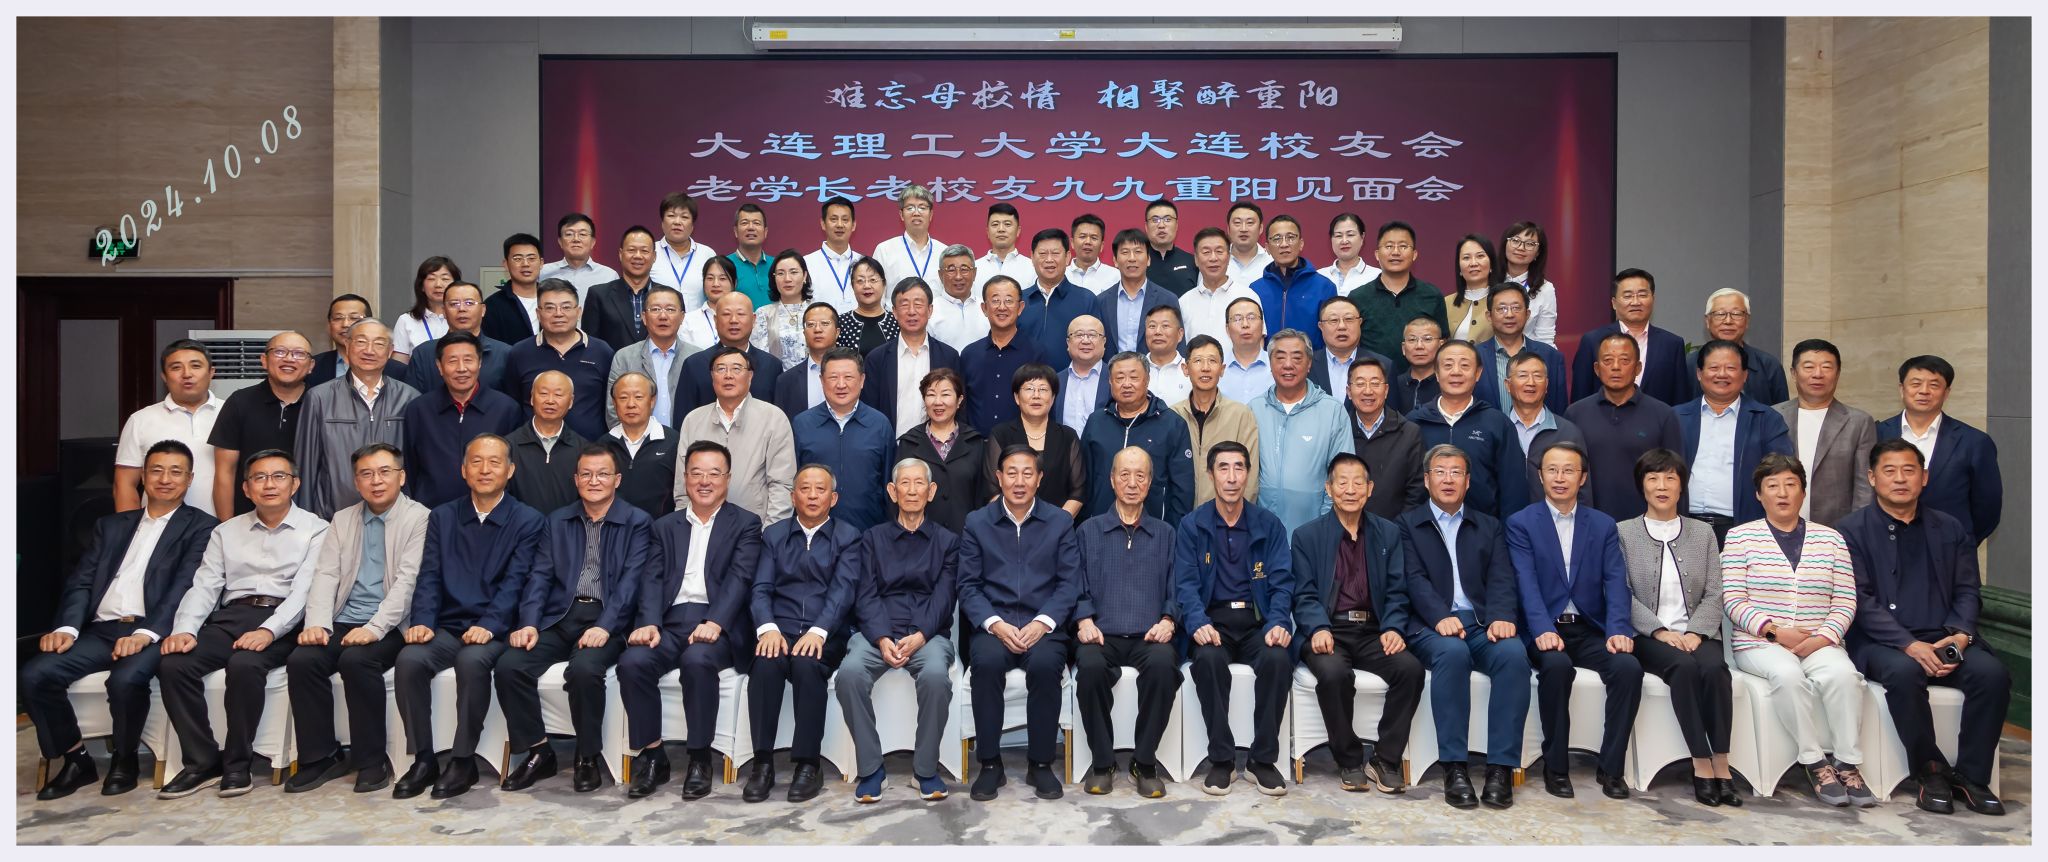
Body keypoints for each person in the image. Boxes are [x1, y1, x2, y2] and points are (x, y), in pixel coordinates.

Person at [26, 441, 217, 799]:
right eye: (156, 470)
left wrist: (146, 633)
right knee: (36, 674)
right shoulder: (111, 525)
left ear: (189, 479)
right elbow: (82, 581)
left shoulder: (203, 528)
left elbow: (184, 587)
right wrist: (66, 627)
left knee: (126, 680)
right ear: (143, 476)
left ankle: (125, 759)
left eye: (175, 472)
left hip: (154, 631)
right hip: (101, 630)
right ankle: (75, 759)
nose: (165, 479)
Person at [1839, 439, 2010, 816]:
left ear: (1924, 477)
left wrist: (1961, 635)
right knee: (1904, 673)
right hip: (1884, 642)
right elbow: (1860, 600)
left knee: (1992, 675)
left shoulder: (1951, 527)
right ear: (1872, 478)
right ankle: (1930, 770)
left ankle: (1972, 776)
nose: (1900, 479)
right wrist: (1908, 644)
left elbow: (1968, 589)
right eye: (1889, 471)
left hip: (1946, 635)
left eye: (1909, 470)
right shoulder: (1850, 530)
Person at [156, 449, 332, 799]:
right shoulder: (225, 531)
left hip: (285, 619)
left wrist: (269, 630)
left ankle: (238, 764)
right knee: (174, 664)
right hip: (231, 616)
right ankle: (202, 761)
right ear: (246, 489)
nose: (269, 485)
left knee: (245, 665)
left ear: (295, 484)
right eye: (259, 478)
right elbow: (205, 585)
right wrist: (185, 630)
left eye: (279, 476)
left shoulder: (318, 529)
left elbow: (306, 591)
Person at [390, 434, 545, 800]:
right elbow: (429, 575)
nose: (484, 469)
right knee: (409, 660)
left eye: (494, 462)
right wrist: (422, 620)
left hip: (497, 629)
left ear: (510, 470)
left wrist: (489, 625)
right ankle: (423, 759)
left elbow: (516, 583)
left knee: (471, 662)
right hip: (449, 625)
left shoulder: (528, 520)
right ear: (463, 470)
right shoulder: (443, 516)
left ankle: (463, 760)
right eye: (476, 461)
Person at [495, 444, 652, 794]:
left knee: (584, 670)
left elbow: (630, 584)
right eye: (586, 474)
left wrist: (605, 626)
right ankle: (538, 751)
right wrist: (529, 622)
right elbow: (539, 576)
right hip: (559, 616)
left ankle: (587, 756)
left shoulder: (637, 522)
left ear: (617, 479)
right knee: (509, 666)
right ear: (576, 479)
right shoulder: (557, 520)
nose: (594, 481)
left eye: (603, 474)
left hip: (607, 618)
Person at [1722, 453, 1872, 808]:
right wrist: (1775, 632)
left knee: (1844, 676)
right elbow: (1732, 599)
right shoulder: (1740, 537)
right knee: (1787, 675)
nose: (1782, 493)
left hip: (1819, 641)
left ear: (1803, 492)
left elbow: (1845, 600)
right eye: (1772, 486)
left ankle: (1847, 762)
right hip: (1759, 643)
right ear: (1759, 494)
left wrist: (1822, 638)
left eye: (1791, 484)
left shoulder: (1831, 539)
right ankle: (1815, 762)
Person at [620, 441, 766, 800]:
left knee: (697, 660)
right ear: (685, 478)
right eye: (696, 473)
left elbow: (740, 578)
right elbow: (651, 578)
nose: (704, 481)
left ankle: (700, 758)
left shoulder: (746, 523)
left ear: (727, 479)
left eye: (714, 474)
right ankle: (653, 755)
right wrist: (649, 622)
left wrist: (716, 621)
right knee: (633, 662)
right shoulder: (664, 526)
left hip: (719, 623)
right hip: (670, 622)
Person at [283, 443, 430, 794]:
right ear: (356, 481)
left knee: (356, 660)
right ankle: (320, 757)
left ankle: (371, 761)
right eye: (366, 474)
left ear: (401, 477)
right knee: (303, 659)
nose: (376, 481)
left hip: (392, 623)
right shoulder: (343, 519)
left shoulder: (419, 517)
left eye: (384, 472)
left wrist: (374, 628)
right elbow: (325, 575)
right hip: (344, 618)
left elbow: (407, 582)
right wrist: (317, 623)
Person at [1400, 444, 1529, 810]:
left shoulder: (1488, 525)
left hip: (1482, 623)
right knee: (1453, 655)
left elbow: (1502, 577)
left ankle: (1500, 768)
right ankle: (1454, 767)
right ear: (1427, 480)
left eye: (1456, 472)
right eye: (1440, 472)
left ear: (1468, 482)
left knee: (1514, 655)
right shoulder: (1407, 524)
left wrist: (1502, 616)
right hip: (1430, 626)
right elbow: (1413, 579)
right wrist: (1439, 616)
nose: (1448, 479)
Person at [1510, 442, 1640, 800]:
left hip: (1589, 627)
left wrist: (1618, 629)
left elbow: (1616, 581)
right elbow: (1525, 583)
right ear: (1540, 476)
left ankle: (1611, 768)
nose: (1560, 477)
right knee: (1556, 667)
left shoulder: (1602, 524)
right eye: (1552, 470)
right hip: (1545, 627)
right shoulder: (1522, 523)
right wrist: (1542, 629)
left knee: (1628, 668)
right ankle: (1556, 766)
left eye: (1569, 470)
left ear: (1582, 478)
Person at [1292, 452, 1424, 794]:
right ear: (1329, 488)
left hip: (1373, 631)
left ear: (1370, 489)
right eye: (1342, 482)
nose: (1350, 490)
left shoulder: (1388, 533)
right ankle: (1349, 759)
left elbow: (1397, 591)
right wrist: (1317, 627)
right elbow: (1304, 594)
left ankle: (1385, 759)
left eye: (1357, 483)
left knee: (1410, 670)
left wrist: (1393, 627)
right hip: (1329, 629)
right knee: (1334, 673)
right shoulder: (1307, 536)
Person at [958, 444, 1083, 801]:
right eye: (1011, 473)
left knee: (1045, 666)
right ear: (998, 478)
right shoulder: (977, 522)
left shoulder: (1059, 522)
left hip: (1042, 625)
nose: (1019, 481)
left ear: (1039, 479)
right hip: (994, 625)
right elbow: (968, 586)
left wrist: (1043, 623)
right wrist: (995, 624)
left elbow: (1069, 583)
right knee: (985, 664)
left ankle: (1040, 764)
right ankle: (990, 764)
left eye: (1028, 473)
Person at [1620, 448, 1740, 807]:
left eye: (1670, 478)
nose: (1662, 486)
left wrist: (1695, 632)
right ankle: (1701, 762)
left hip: (1697, 633)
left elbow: (1716, 591)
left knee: (1716, 670)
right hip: (1648, 635)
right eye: (1653, 478)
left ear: (1681, 486)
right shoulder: (1623, 533)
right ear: (1641, 485)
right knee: (1684, 668)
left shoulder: (1703, 533)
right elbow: (1621, 593)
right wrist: (1660, 631)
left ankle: (1722, 762)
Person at [1175, 441, 1294, 797]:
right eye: (1223, 468)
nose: (1231, 477)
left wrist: (1278, 622)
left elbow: (1282, 582)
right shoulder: (1193, 525)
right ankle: (1222, 759)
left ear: (1248, 474)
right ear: (1210, 475)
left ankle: (1262, 760)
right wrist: (1197, 622)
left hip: (1257, 623)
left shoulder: (1268, 525)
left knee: (1278, 660)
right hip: (1213, 623)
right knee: (1208, 660)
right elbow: (1185, 585)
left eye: (1239, 468)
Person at [837, 458, 960, 803]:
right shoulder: (872, 539)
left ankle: (925, 770)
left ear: (931, 491)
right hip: (878, 633)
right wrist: (881, 638)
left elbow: (945, 596)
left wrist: (920, 634)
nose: (912, 490)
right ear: (892, 492)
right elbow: (865, 593)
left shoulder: (948, 542)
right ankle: (871, 769)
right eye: (904, 483)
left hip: (928, 634)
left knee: (935, 676)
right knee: (849, 674)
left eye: (919, 483)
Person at [743, 464, 861, 803]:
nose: (812, 496)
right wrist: (768, 628)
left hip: (827, 633)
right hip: (779, 630)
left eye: (820, 490)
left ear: (833, 498)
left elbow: (843, 592)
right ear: (793, 496)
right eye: (805, 489)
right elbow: (761, 588)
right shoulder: (774, 535)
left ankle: (808, 764)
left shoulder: (848, 537)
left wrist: (819, 631)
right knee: (765, 664)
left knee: (808, 665)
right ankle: (762, 763)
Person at [1072, 448, 1183, 798]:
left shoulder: (1166, 533)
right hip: (1101, 634)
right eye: (1124, 475)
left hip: (1149, 636)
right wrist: (1084, 619)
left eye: (1140, 476)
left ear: (1150, 483)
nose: (1132, 483)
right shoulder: (1088, 531)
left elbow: (1177, 586)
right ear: (1112, 480)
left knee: (1164, 667)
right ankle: (1103, 762)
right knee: (1089, 668)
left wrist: (1168, 619)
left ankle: (1144, 762)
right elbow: (1074, 583)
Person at [295, 320, 419, 519]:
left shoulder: (409, 398)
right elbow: (306, 465)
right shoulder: (319, 397)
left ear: (390, 351)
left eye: (379, 343)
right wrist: (307, 521)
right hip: (333, 517)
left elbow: (417, 466)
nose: (369, 350)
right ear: (347, 345)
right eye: (361, 342)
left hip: (396, 518)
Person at [1674, 340, 1796, 542]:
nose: (1722, 374)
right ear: (1699, 373)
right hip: (1683, 526)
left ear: (1745, 375)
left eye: (1731, 368)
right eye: (1714, 368)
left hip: (1743, 529)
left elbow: (1782, 472)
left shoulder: (1766, 419)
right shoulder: (1675, 417)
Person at [1877, 354, 2002, 547]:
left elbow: (1988, 506)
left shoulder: (1974, 441)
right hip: (1885, 545)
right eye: (1916, 384)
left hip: (1950, 549)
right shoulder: (1876, 433)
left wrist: (1961, 541)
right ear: (1902, 389)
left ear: (1946, 392)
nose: (1924, 391)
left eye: (1934, 385)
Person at [1566, 332, 1685, 522]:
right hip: (1589, 523)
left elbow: (1676, 478)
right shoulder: (1576, 414)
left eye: (1624, 360)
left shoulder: (1663, 415)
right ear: (1596, 369)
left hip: (1647, 524)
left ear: (1638, 368)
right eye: (1607, 360)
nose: (1616, 367)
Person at [400, 332, 524, 508]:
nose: (461, 368)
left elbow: (514, 469)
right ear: (439, 366)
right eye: (452, 361)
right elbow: (410, 467)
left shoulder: (506, 409)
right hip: (430, 512)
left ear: (479, 363)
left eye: (468, 360)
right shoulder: (419, 410)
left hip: (489, 513)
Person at [678, 346, 797, 527]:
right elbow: (682, 484)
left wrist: (771, 534)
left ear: (750, 376)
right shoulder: (693, 420)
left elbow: (782, 484)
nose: (728, 375)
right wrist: (684, 529)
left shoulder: (773, 418)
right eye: (721, 369)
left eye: (736, 368)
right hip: (700, 529)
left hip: (755, 530)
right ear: (712, 376)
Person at [1408, 340, 1525, 517]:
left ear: (1478, 373)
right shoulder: (1414, 422)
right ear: (1437, 373)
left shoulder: (1497, 423)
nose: (1456, 372)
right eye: (1448, 365)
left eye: (1464, 365)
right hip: (1424, 527)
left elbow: (1513, 489)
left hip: (1484, 528)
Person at [1251, 329, 1353, 532]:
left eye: (1297, 358)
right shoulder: (1254, 409)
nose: (1288, 364)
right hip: (1262, 532)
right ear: (1270, 363)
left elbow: (1343, 475)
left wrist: (1324, 525)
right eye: (1280, 357)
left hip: (1315, 533)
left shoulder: (1332, 411)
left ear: (1309, 364)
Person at [1079, 353, 1195, 524]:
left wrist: (1172, 531)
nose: (1126, 384)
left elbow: (1183, 488)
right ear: (1110, 382)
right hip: (1100, 528)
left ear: (1147, 380)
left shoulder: (1172, 424)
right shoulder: (1096, 422)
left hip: (1155, 530)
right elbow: (1083, 481)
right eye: (1119, 378)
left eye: (1134, 377)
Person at [115, 339, 224, 516]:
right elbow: (124, 484)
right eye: (176, 367)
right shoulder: (141, 420)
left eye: (196, 366)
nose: (187, 374)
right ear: (164, 377)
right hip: (159, 527)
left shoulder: (232, 413)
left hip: (223, 525)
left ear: (211, 372)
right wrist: (128, 529)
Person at [1776, 338, 1877, 526]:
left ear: (1837, 374)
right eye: (1809, 367)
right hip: (1778, 526)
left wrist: (1856, 531)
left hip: (1837, 528)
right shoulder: (1773, 416)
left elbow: (1864, 487)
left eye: (1826, 367)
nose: (1818, 374)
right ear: (1794, 373)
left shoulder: (1859, 422)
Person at [209, 331, 312, 516]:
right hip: (247, 519)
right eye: (280, 351)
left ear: (311, 365)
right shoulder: (239, 402)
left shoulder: (320, 403)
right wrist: (226, 526)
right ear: (264, 360)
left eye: (299, 353)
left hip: (308, 519)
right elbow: (225, 472)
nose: (289, 359)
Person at [501, 278, 617, 442]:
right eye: (549, 308)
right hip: (533, 448)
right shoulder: (520, 352)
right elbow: (512, 404)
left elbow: (611, 404)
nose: (558, 314)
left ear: (579, 312)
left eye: (566, 307)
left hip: (590, 450)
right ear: (538, 314)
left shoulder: (601, 351)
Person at [793, 348, 895, 532]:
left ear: (862, 380)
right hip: (815, 534)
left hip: (869, 533)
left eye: (848, 377)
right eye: (833, 377)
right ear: (822, 381)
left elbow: (889, 484)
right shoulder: (802, 425)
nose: (841, 385)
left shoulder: (879, 424)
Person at [1569, 268, 1693, 406]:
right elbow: (1580, 398)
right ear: (1614, 303)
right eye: (1628, 296)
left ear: (1653, 299)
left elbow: (1680, 401)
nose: (1635, 302)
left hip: (1657, 420)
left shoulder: (1672, 344)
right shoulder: (1592, 341)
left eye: (1642, 295)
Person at [984, 362, 1086, 520]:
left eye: (1043, 389)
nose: (1036, 395)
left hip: (1057, 527)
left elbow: (1078, 491)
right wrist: (1017, 522)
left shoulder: (1068, 436)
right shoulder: (1000, 434)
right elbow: (992, 488)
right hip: (1009, 526)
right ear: (1017, 397)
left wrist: (1056, 524)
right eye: (1029, 389)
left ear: (1053, 398)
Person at [895, 368, 991, 534]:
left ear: (959, 400)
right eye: (931, 395)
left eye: (945, 394)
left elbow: (983, 497)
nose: (938, 402)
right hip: (919, 539)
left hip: (966, 538)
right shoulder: (909, 443)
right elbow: (897, 498)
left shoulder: (975, 442)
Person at [862, 276, 961, 436]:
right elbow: (869, 411)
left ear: (930, 310)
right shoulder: (876, 359)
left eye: (918, 304)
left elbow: (958, 408)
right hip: (891, 445)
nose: (911, 311)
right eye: (904, 305)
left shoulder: (949, 357)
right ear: (894, 312)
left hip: (936, 445)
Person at [1173, 334, 1262, 507]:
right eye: (1198, 361)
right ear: (1185, 368)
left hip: (1227, 516)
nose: (1205, 368)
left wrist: (1235, 517)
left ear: (1222, 369)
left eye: (1212, 361)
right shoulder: (1173, 416)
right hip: (1181, 518)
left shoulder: (1240, 415)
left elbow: (1249, 477)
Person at [1351, 220, 1447, 368]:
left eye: (1403, 246)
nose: (1395, 252)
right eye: (1389, 246)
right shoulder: (1358, 297)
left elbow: (1443, 343)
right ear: (1377, 254)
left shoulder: (1432, 295)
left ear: (1414, 254)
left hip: (1420, 378)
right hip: (1373, 379)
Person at [675, 290, 783, 416]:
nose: (733, 320)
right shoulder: (695, 365)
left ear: (753, 320)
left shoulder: (771, 365)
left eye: (741, 314)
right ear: (716, 320)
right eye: (726, 314)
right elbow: (684, 418)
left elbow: (778, 417)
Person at [959, 276, 1044, 433]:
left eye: (1009, 301)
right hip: (976, 444)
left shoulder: (1036, 353)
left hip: (1021, 444)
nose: (1002, 307)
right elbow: (962, 405)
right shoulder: (969, 354)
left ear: (1020, 307)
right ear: (984, 308)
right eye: (995, 301)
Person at [606, 284, 697, 429]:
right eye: (655, 309)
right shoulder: (624, 357)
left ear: (682, 317)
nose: (663, 316)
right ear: (644, 317)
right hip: (638, 441)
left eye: (670, 309)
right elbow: (613, 410)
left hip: (687, 440)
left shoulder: (696, 358)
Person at [1503, 352, 1588, 506]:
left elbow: (1583, 491)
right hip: (1504, 519)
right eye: (1522, 375)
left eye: (1537, 376)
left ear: (1547, 384)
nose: (1531, 382)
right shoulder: (1497, 429)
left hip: (1555, 519)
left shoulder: (1568, 432)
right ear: (1508, 385)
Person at [1345, 357, 1426, 519]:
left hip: (1395, 530)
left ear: (1386, 390)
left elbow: (1416, 492)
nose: (1368, 391)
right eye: (1360, 384)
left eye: (1375, 383)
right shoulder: (1338, 430)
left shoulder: (1409, 433)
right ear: (1348, 391)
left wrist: (1397, 529)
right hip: (1346, 528)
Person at [403, 281, 513, 397]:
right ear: (444, 311)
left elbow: (512, 402)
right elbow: (412, 401)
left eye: (469, 303)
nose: (462, 309)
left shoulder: (506, 354)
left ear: (483, 310)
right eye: (454, 304)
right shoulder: (423, 353)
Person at [1475, 282, 1568, 416]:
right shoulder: (1474, 357)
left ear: (1527, 314)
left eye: (1516, 308)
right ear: (1489, 316)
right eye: (1502, 309)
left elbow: (1559, 411)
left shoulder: (1551, 357)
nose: (1509, 315)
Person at [1248, 215, 1336, 349]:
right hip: (1268, 361)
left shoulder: (1324, 287)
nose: (1284, 244)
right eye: (1277, 239)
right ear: (1267, 247)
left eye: (1290, 237)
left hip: (1312, 361)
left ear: (1301, 244)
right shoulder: (1255, 289)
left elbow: (1331, 335)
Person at [505, 371, 586, 516]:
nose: (550, 400)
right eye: (543, 393)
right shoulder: (508, 446)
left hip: (567, 528)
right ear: (531, 398)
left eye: (558, 395)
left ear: (571, 401)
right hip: (520, 527)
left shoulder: (584, 449)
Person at [1095, 228, 1184, 354]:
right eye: (1125, 252)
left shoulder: (1168, 299)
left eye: (1138, 252)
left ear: (1148, 259)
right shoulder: (1101, 301)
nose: (1132, 258)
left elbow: (1178, 345)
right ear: (1115, 261)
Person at [1692, 288, 1788, 406]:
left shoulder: (1769, 365)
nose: (1728, 321)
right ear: (1707, 321)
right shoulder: (1689, 364)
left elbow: (1782, 411)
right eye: (1720, 314)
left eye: (1736, 314)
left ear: (1747, 320)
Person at [1018, 228, 1096, 369]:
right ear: (1032, 257)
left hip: (1072, 380)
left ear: (1067, 257)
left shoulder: (1086, 299)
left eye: (1055, 253)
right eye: (1042, 253)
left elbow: (1096, 347)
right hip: (1025, 381)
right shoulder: (1019, 301)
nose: (1049, 259)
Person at [604, 372, 679, 517]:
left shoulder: (674, 441)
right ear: (614, 403)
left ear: (652, 400)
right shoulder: (603, 445)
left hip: (660, 527)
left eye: (638, 397)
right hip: (613, 527)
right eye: (623, 398)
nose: (631, 404)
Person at [583, 225, 660, 352]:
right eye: (631, 250)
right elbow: (590, 345)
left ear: (654, 256)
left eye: (644, 251)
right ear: (620, 254)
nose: (638, 256)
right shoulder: (598, 295)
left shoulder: (669, 296)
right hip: (612, 364)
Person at [1180, 227, 1262, 346]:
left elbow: (1258, 343)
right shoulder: (1184, 302)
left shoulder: (1248, 296)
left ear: (1228, 257)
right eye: (1206, 252)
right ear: (1196, 259)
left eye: (1219, 251)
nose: (1213, 258)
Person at [649, 191, 718, 311]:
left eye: (684, 217)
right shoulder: (649, 252)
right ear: (662, 223)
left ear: (692, 226)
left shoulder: (707, 254)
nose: (677, 222)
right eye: (671, 216)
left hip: (699, 322)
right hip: (660, 321)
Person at [772, 302, 840, 422]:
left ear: (837, 332)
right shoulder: (786, 380)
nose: (817, 329)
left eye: (825, 323)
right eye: (811, 325)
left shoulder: (855, 373)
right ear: (804, 333)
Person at [870, 184, 947, 290]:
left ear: (931, 215)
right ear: (901, 215)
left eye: (922, 208)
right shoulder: (884, 250)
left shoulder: (944, 252)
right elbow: (877, 292)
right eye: (910, 208)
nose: (916, 213)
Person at [1308, 295, 1386, 397]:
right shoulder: (1306, 364)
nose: (1342, 326)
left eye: (1349, 319)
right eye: (1333, 320)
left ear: (1360, 323)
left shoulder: (1384, 365)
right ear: (1321, 326)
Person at [538, 212, 620, 305]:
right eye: (569, 234)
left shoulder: (609, 276)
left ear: (593, 242)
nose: (576, 239)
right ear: (560, 242)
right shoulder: (543, 272)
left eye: (582, 234)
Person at [1499, 221, 1560, 346]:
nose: (1521, 248)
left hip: (1527, 355)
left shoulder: (1545, 289)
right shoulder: (1489, 281)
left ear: (1538, 252)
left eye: (1530, 244)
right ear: (1505, 244)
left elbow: (1545, 339)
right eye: (1515, 241)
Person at [753, 250, 814, 370]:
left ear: (804, 276)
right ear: (774, 278)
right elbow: (760, 357)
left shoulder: (818, 310)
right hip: (776, 378)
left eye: (793, 272)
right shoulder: (764, 314)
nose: (787, 279)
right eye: (780, 273)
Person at [391, 256, 460, 362]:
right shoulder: (406, 320)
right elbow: (399, 365)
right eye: (431, 279)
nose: (438, 284)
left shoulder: (464, 317)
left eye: (445, 279)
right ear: (422, 286)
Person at [803, 196, 864, 315]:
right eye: (833, 219)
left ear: (853, 225)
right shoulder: (806, 263)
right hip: (819, 325)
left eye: (845, 219)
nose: (840, 225)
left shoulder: (864, 263)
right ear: (823, 224)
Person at [481, 233, 545, 345]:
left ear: (541, 263)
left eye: (531, 258)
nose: (525, 264)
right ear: (506, 264)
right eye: (517, 259)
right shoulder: (492, 306)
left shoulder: (554, 300)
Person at [1052, 314, 1111, 436]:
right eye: (1079, 335)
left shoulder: (1116, 379)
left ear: (1104, 342)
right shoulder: (1055, 381)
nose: (1085, 341)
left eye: (1092, 335)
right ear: (1068, 342)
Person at [308, 294, 378, 388]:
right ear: (329, 325)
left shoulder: (394, 369)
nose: (345, 324)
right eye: (338, 318)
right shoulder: (312, 366)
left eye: (354, 318)